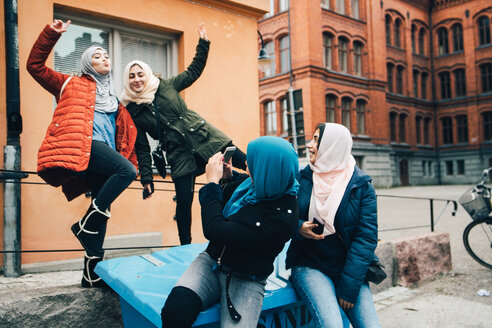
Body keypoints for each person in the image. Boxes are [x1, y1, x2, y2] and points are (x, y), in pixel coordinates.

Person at [27, 19, 138, 288]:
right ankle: (86, 220)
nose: (104, 58)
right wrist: (51, 34)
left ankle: (91, 272)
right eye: (97, 56)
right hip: (83, 148)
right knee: (126, 172)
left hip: (104, 155)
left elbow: (123, 136)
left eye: (107, 55)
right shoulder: (69, 84)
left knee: (102, 213)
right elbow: (35, 66)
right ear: (88, 63)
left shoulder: (114, 99)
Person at [120, 23, 247, 245]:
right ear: (127, 80)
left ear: (147, 74)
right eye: (131, 76)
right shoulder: (133, 111)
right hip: (178, 153)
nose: (137, 79)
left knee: (242, 160)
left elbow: (193, 71)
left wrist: (203, 43)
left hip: (204, 136)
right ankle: (184, 246)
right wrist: (147, 178)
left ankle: (269, 195)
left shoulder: (166, 85)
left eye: (140, 74)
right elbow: (141, 147)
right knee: (184, 201)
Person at [161, 136, 299, 327]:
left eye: (253, 159)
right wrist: (226, 178)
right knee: (175, 312)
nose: (247, 161)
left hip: (246, 279)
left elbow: (216, 230)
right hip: (211, 263)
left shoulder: (282, 219)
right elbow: (234, 191)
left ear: (268, 169)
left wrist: (212, 184)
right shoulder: (254, 184)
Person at [285, 123, 381, 327]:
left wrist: (349, 286)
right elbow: (283, 214)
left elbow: (366, 238)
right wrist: (298, 227)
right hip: (309, 264)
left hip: (348, 267)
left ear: (333, 146)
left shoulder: (361, 185)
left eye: (316, 140)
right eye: (311, 139)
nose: (309, 145)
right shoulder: (303, 177)